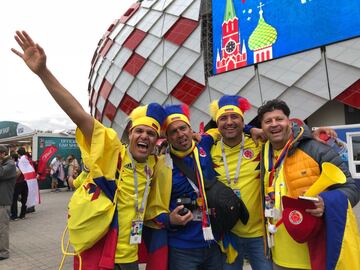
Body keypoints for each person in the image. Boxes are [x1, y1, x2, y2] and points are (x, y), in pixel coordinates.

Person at [12, 30, 166, 270]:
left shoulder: (153, 166)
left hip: (131, 258)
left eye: (151, 133)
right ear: (130, 134)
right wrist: (43, 73)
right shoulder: (112, 151)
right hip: (100, 253)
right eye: (139, 131)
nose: (144, 136)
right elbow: (79, 115)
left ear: (156, 141)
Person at [258, 99, 360, 269]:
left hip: (314, 255)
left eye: (279, 119)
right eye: (268, 121)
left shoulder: (317, 149)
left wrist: (325, 202)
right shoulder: (263, 153)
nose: (274, 124)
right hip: (278, 256)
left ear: (289, 122)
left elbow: (352, 189)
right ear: (262, 127)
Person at [209, 95, 272, 270]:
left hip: (259, 236)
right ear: (217, 124)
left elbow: (288, 133)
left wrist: (319, 133)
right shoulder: (209, 150)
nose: (229, 122)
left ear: (243, 122)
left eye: (234, 117)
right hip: (227, 236)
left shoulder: (259, 143)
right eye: (223, 118)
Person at [0, 145, 16, 260]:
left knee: (3, 228)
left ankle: (4, 252)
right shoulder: (5, 164)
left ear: (2, 154)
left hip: (3, 201)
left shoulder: (10, 165)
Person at [17, 147, 39, 212]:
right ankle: (31, 207)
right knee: (30, 192)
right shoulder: (27, 158)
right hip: (31, 177)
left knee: (25, 194)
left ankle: (29, 207)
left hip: (27, 178)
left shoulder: (22, 159)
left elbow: (20, 169)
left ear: (19, 153)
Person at [10, 153, 28, 220]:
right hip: (25, 182)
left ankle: (14, 216)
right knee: (24, 199)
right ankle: (22, 215)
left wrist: (15, 179)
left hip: (18, 183)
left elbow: (19, 172)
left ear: (13, 158)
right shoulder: (23, 163)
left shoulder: (15, 164)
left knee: (14, 199)